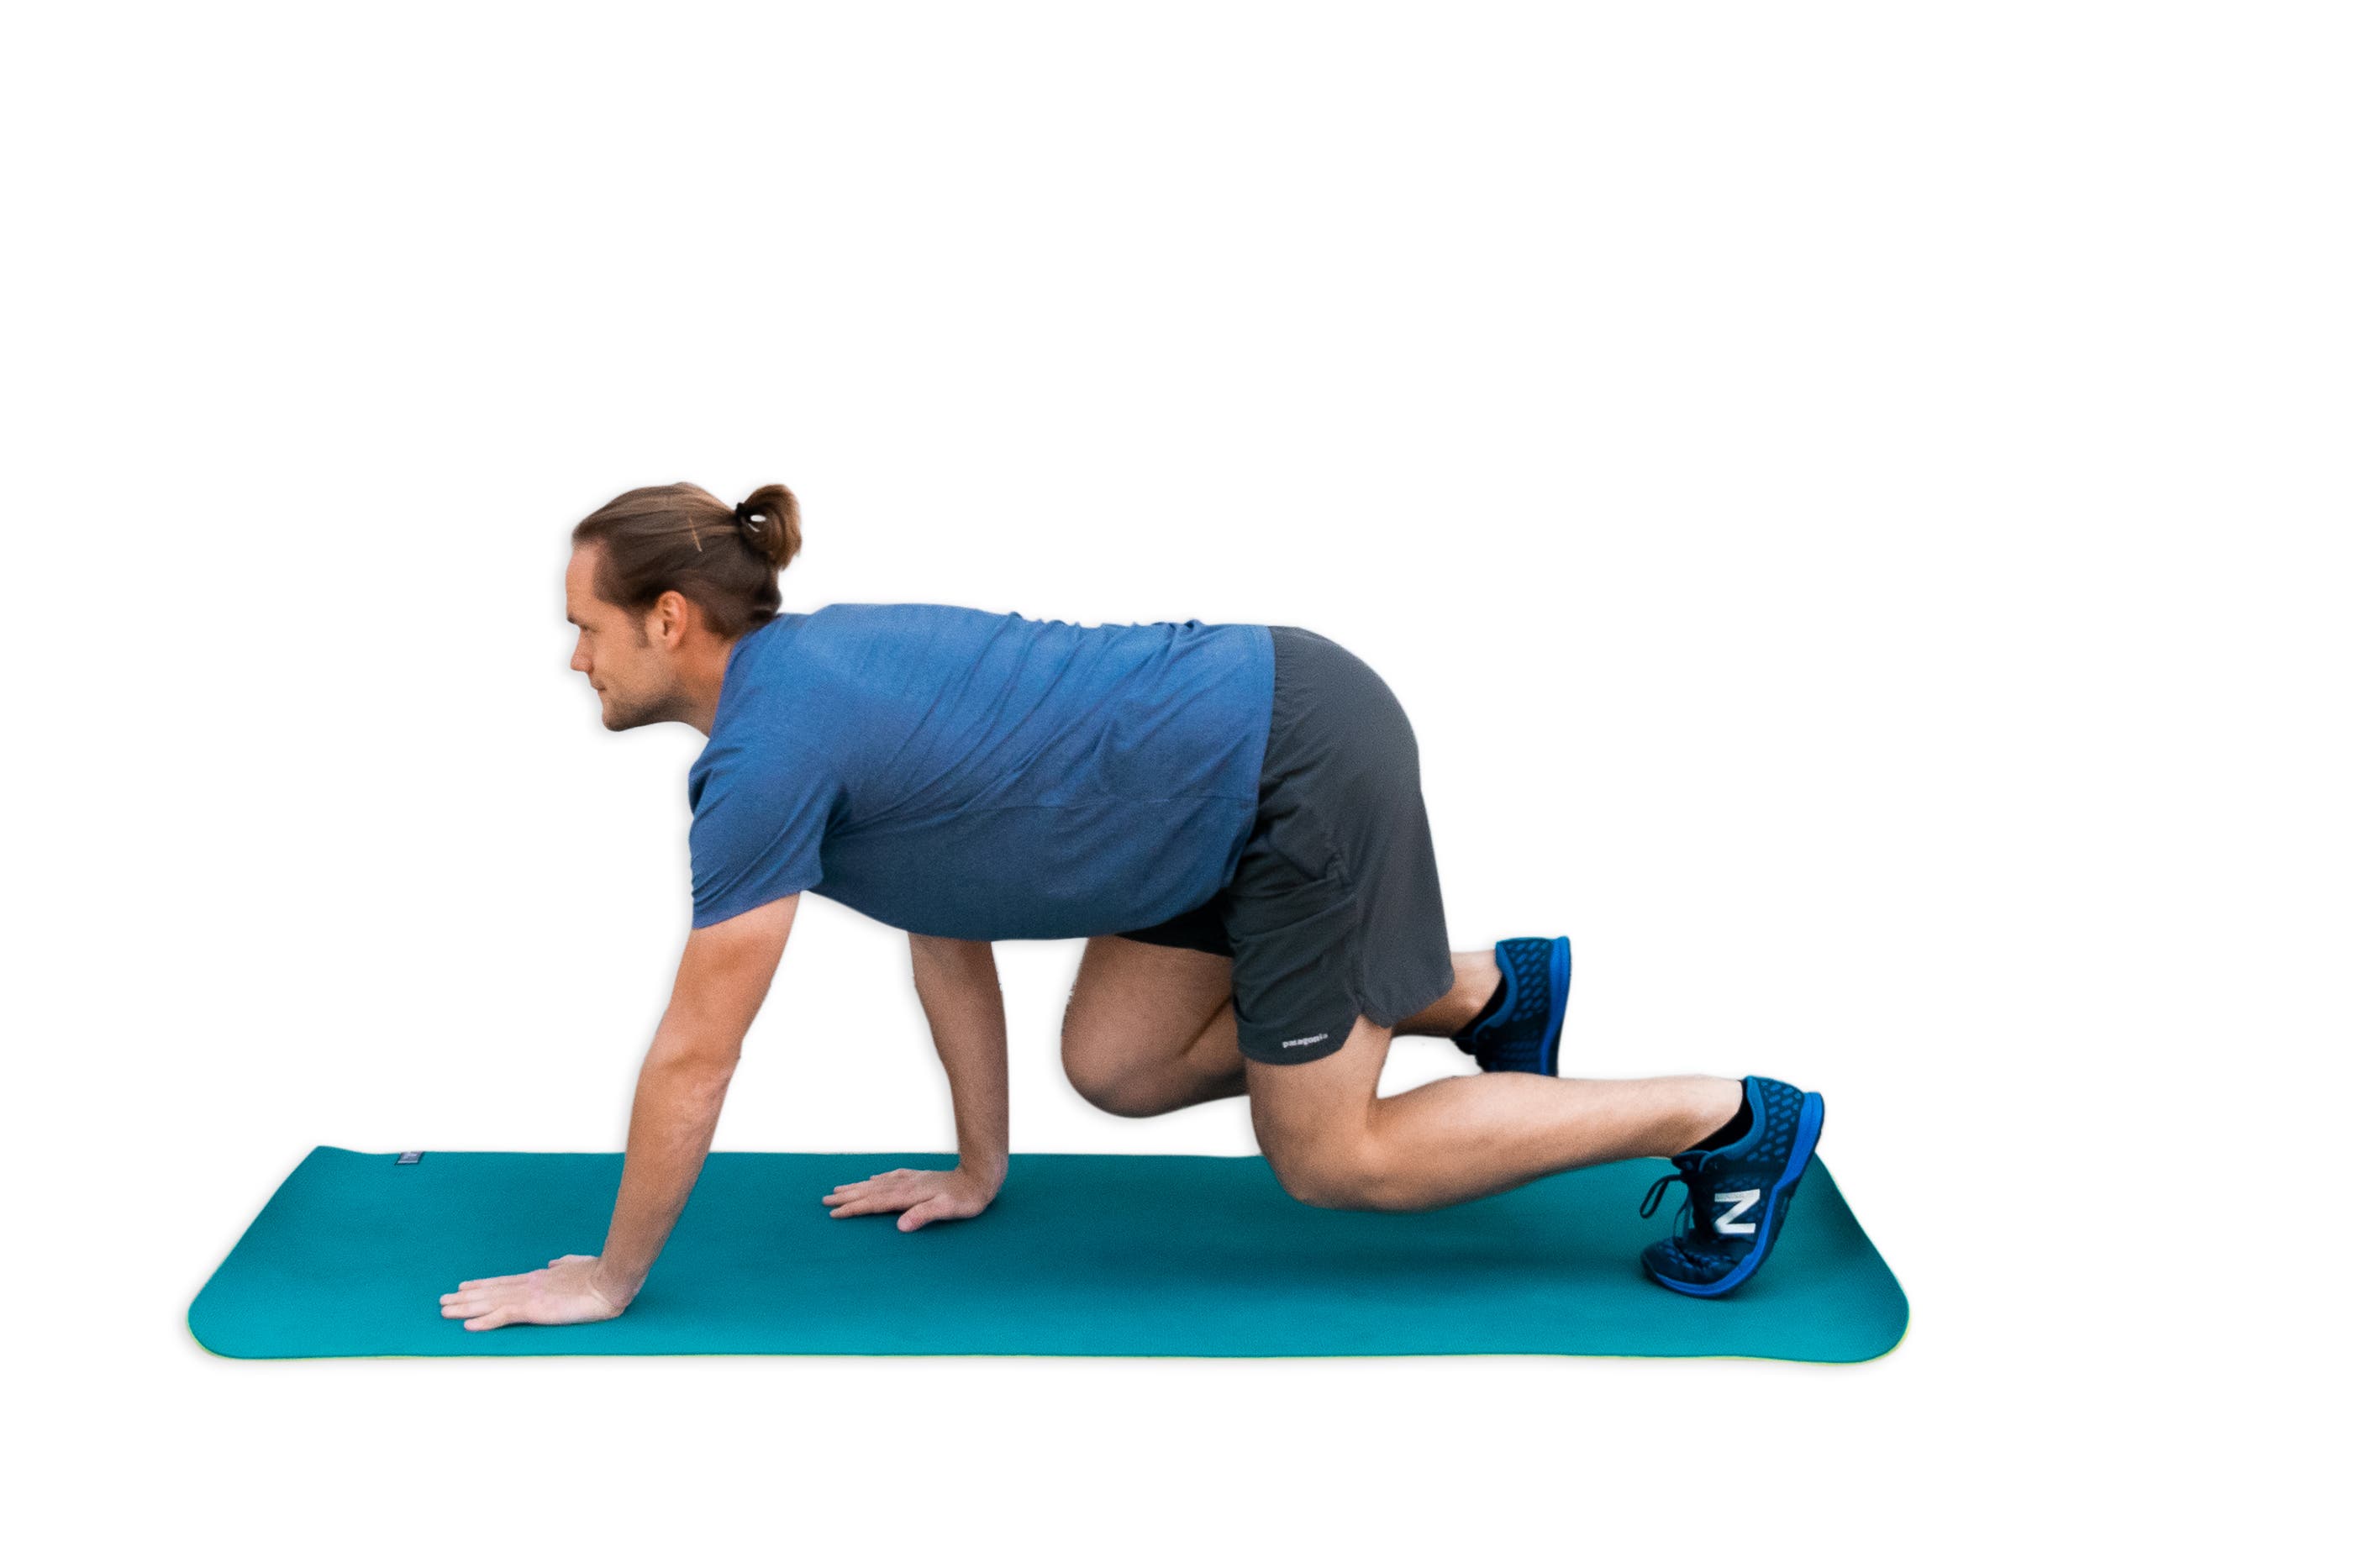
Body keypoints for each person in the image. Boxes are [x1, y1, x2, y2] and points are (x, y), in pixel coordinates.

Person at [438, 481, 1827, 1334]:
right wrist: (978, 1169)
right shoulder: (811, 682)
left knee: (1331, 1158)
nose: (574, 657)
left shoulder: (765, 757)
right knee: (1115, 1065)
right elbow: (948, 918)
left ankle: (1725, 1117)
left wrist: (611, 1277)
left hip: (1292, 768)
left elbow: (699, 1049)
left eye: (587, 625)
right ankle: (1477, 991)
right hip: (1210, 806)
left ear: (670, 617)